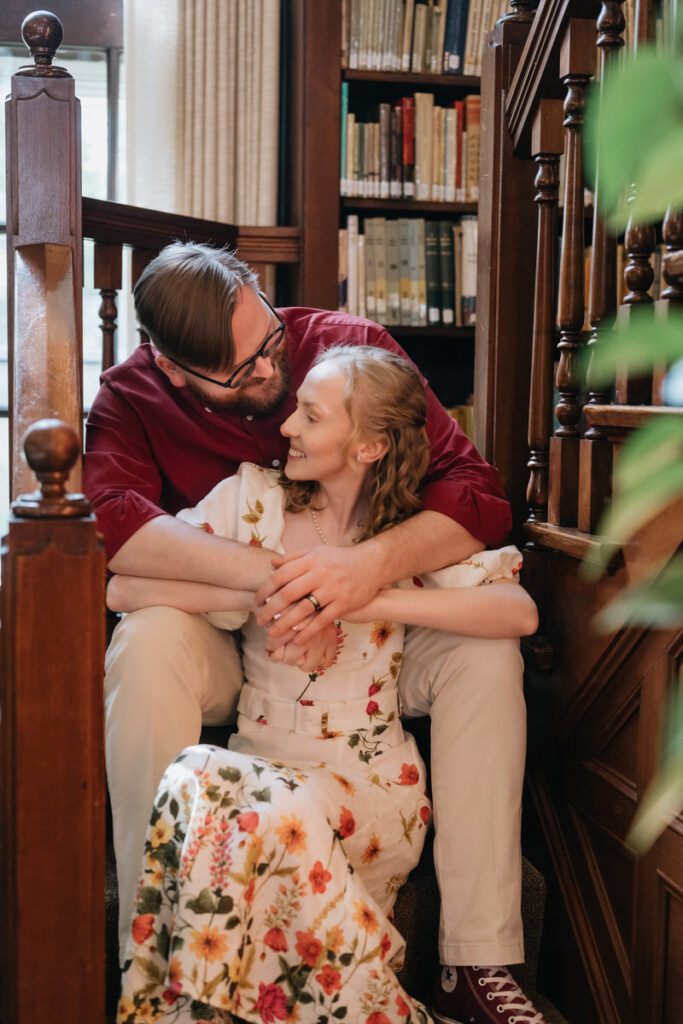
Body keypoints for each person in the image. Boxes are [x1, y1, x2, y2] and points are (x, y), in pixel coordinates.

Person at [83, 241, 540, 1024]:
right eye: (238, 372)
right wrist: (279, 578)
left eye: (266, 345)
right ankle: (153, 942)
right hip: (233, 635)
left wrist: (359, 575)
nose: (270, 378)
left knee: (487, 650)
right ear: (169, 369)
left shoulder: (344, 352)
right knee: (148, 634)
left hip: (378, 640)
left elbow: (474, 495)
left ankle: (477, 958)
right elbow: (113, 533)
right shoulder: (131, 400)